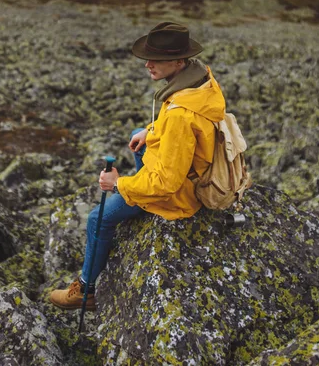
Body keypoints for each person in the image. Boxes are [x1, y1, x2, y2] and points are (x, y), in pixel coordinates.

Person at [49, 22, 226, 310]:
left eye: (156, 59)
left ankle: (85, 291)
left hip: (179, 193)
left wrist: (118, 184)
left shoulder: (181, 113)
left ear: (179, 61)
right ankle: (138, 178)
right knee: (138, 135)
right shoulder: (199, 80)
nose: (147, 64)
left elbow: (166, 184)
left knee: (97, 219)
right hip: (188, 165)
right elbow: (183, 130)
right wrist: (152, 130)